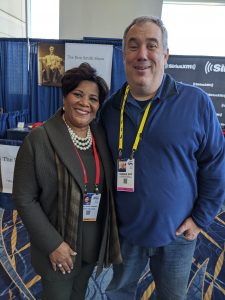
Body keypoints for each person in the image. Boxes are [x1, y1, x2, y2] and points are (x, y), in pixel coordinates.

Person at [100, 16, 225, 300]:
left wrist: (200, 218)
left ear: (165, 55)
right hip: (125, 233)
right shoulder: (110, 110)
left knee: (172, 296)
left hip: (178, 234)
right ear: (123, 56)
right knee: (118, 293)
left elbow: (215, 165)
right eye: (133, 46)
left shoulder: (196, 103)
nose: (142, 54)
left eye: (151, 45)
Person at [12, 63, 122, 300]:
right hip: (58, 247)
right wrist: (53, 245)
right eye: (78, 94)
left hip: (91, 243)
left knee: (78, 295)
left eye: (93, 98)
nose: (85, 103)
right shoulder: (39, 139)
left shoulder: (100, 135)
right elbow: (24, 198)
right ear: (65, 96)